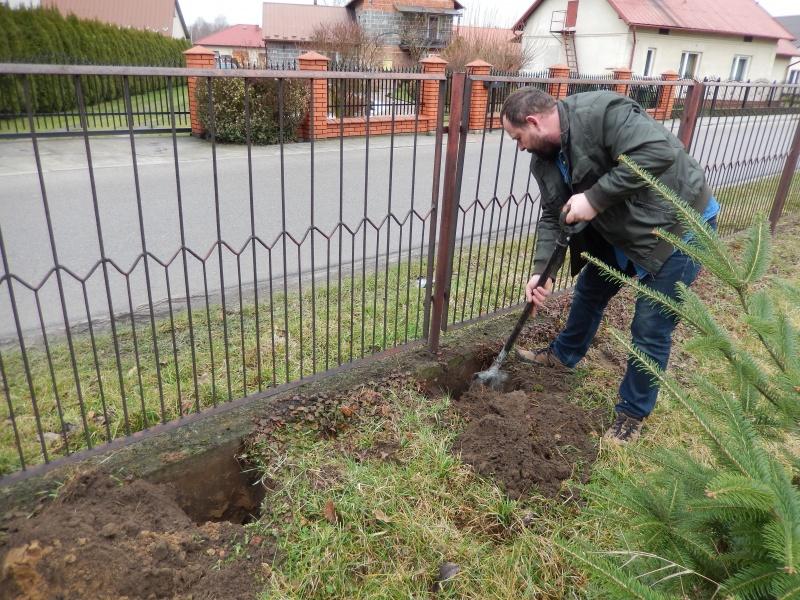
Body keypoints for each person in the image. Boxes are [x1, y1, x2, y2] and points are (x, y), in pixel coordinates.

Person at [499, 87, 719, 444]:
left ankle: (632, 413)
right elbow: (553, 216)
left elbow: (658, 152)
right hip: (621, 230)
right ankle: (563, 356)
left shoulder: (603, 112)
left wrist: (594, 198)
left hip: (677, 225)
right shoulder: (544, 160)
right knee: (589, 291)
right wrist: (543, 271)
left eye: (517, 137)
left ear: (533, 121)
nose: (520, 147)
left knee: (650, 325)